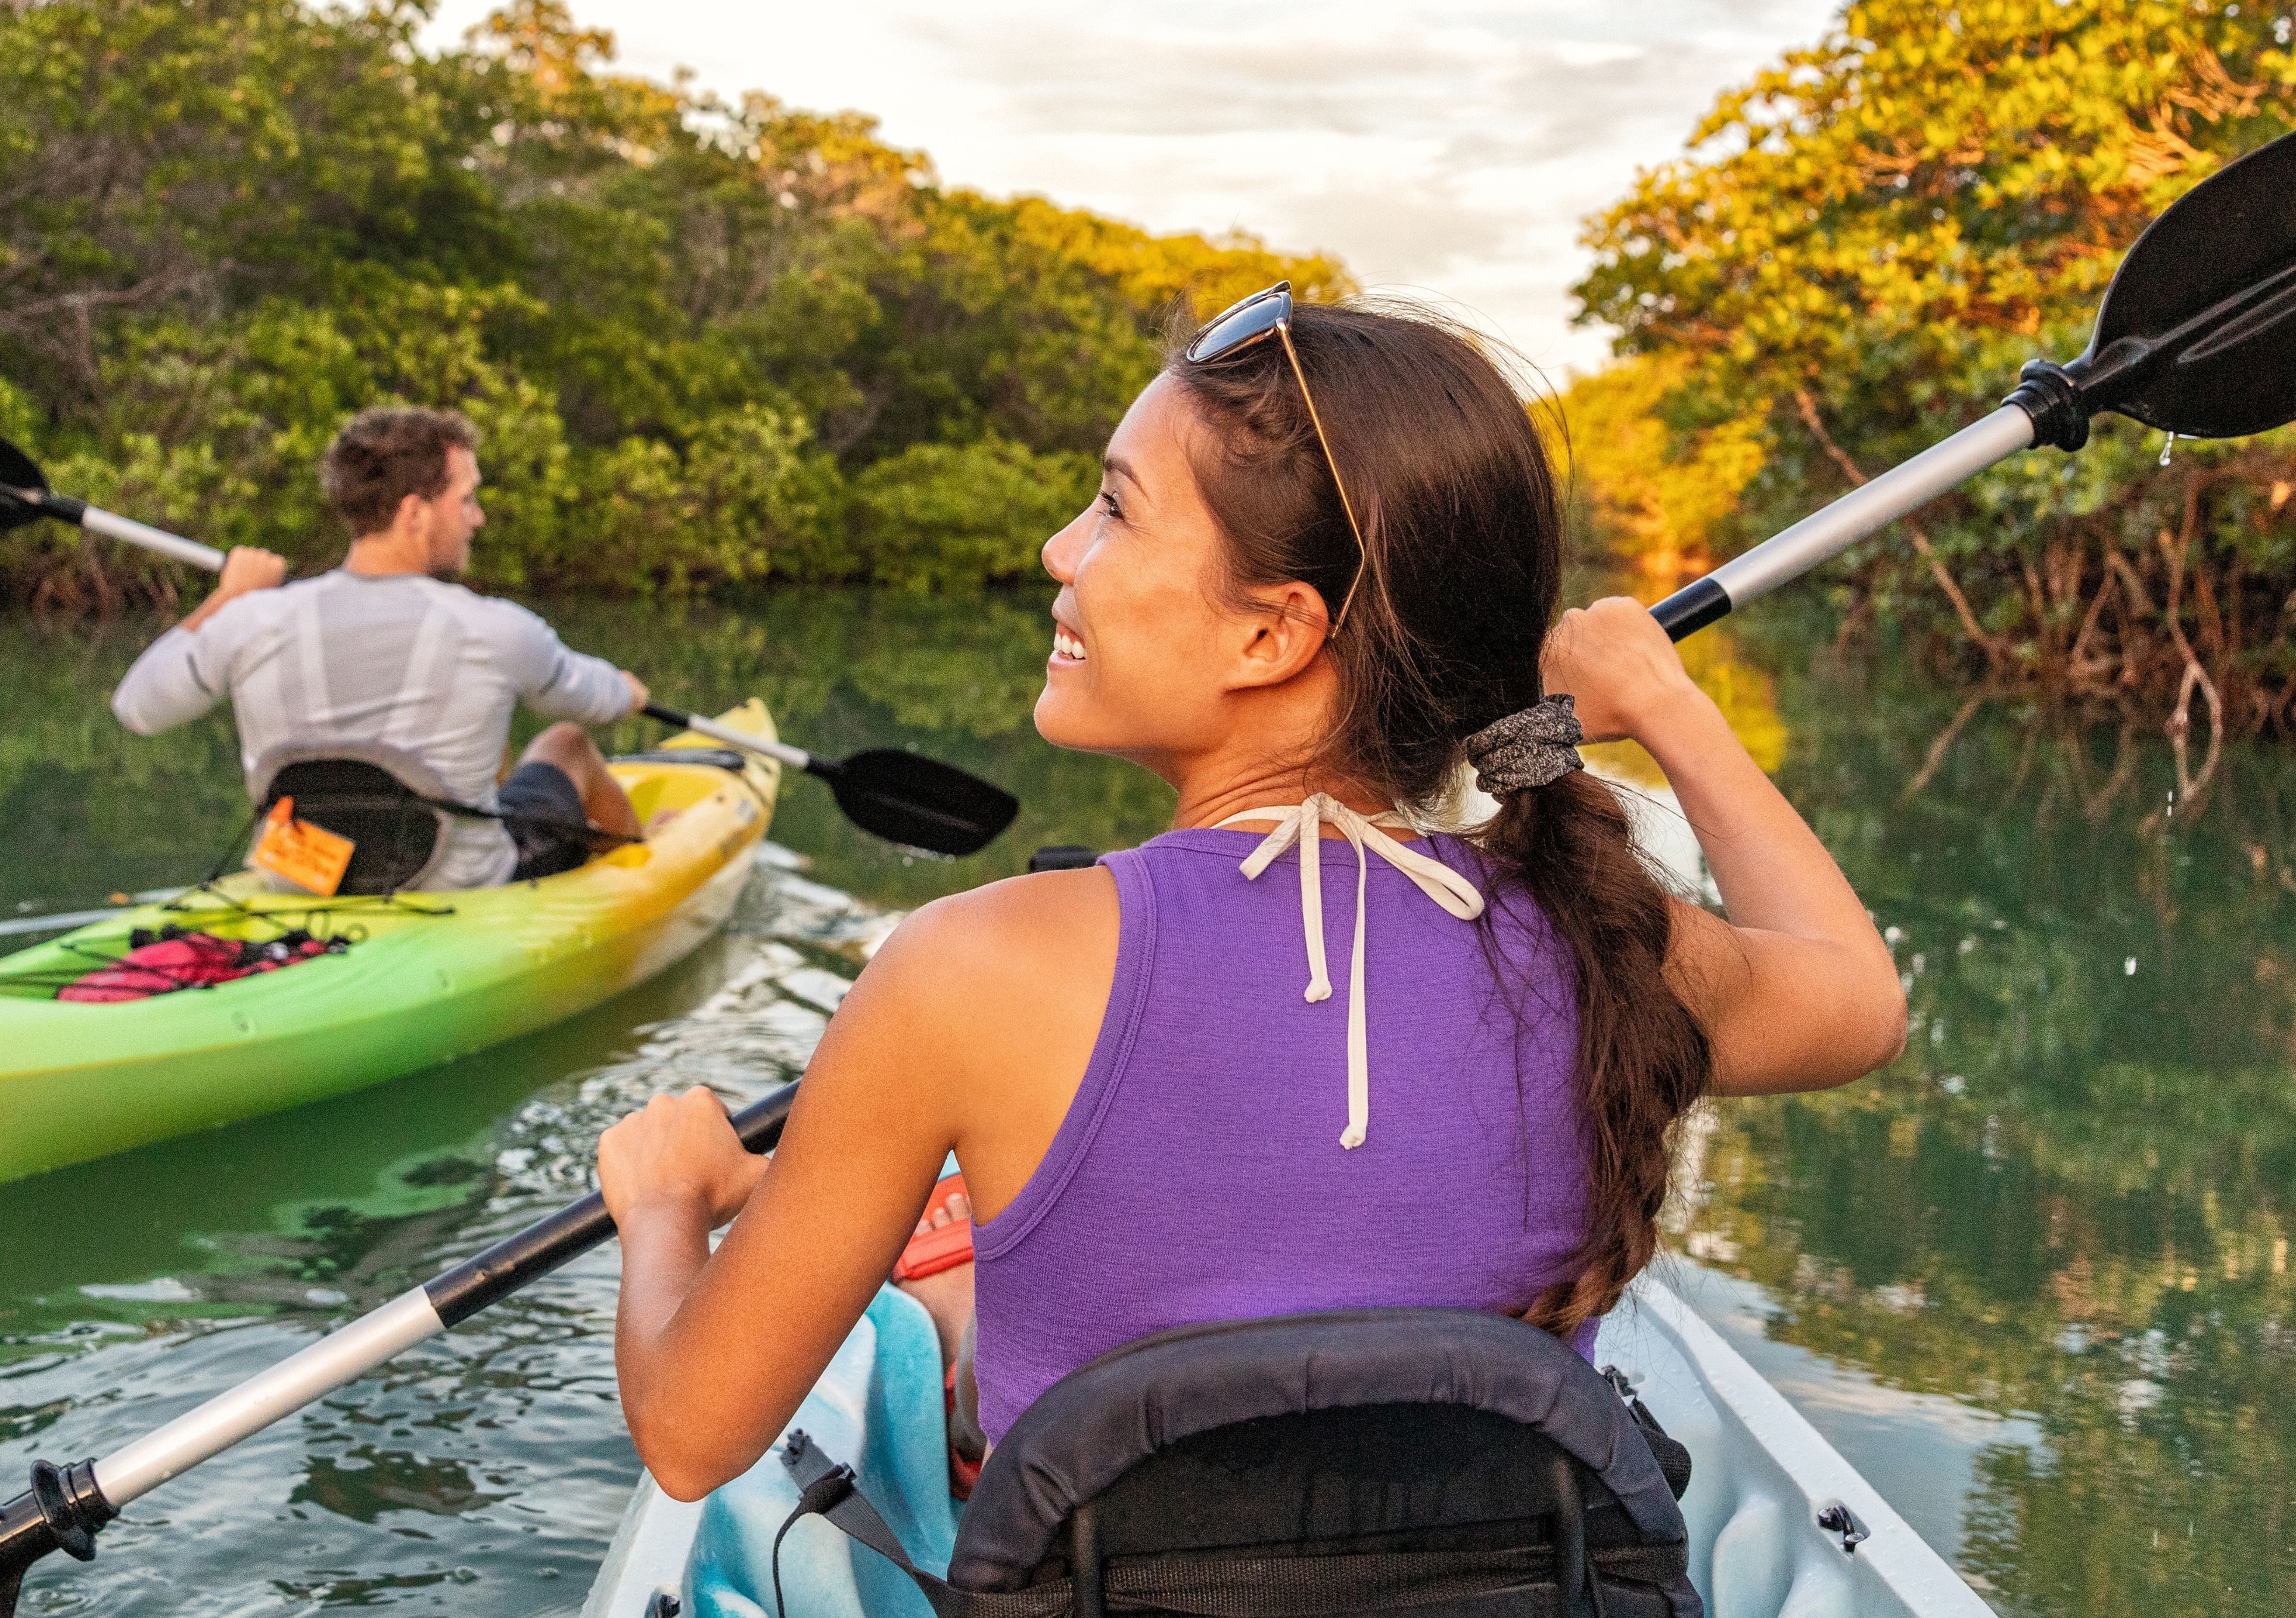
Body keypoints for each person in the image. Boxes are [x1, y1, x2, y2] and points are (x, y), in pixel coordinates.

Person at [591, 290, 1908, 1499]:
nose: (1061, 552)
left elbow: (695, 1437)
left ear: (1272, 633)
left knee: (946, 1309)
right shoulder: (1600, 940)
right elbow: (1857, 1001)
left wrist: (666, 1203)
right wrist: (1669, 708)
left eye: (1112, 510)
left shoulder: (967, 970)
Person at [111, 405, 648, 889]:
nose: (477, 518)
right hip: (455, 887)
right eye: (466, 499)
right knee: (567, 744)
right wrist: (628, 692)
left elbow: (137, 708)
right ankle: (647, 863)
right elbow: (595, 700)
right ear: (415, 513)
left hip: (300, 881)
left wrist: (226, 599)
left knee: (496, 754)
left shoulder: (253, 618)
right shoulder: (497, 630)